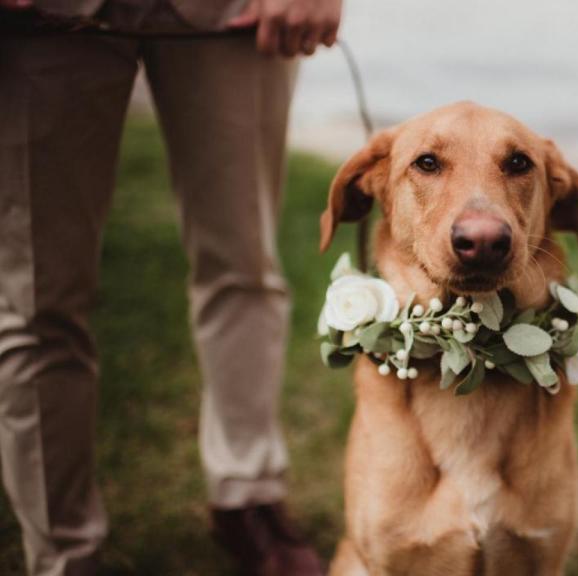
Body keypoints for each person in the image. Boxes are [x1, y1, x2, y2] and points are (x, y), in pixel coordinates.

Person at [0, 0, 343, 574]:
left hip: (231, 12)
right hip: (42, 19)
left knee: (245, 264)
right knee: (38, 299)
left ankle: (248, 494)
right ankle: (63, 551)